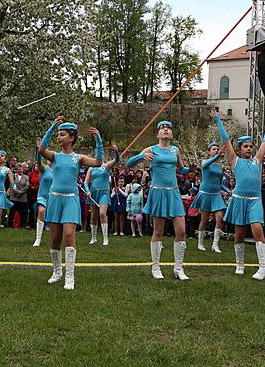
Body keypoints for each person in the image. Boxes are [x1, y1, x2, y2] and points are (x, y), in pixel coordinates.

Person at [38, 116, 103, 289]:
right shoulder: (55, 156)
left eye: (62, 134)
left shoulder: (78, 157)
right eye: (58, 134)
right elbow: (41, 150)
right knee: (55, 239)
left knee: (69, 234)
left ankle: (70, 276)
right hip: (55, 198)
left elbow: (98, 162)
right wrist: (52, 127)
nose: (59, 137)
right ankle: (57, 271)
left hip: (71, 199)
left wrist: (98, 140)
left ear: (72, 137)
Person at [211, 109, 265, 280]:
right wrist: (217, 120)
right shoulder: (235, 160)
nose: (249, 148)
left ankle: (263, 268)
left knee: (257, 230)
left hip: (254, 200)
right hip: (238, 200)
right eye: (246, 146)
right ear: (239, 149)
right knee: (239, 233)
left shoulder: (257, 160)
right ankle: (240, 264)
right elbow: (225, 140)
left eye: (251, 146)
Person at [126, 120, 191, 281]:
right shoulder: (151, 149)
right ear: (157, 134)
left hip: (174, 193)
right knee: (158, 231)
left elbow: (181, 169)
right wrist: (141, 156)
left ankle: (178, 268)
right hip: (158, 193)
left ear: (172, 133)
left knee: (181, 230)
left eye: (169, 128)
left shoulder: (176, 150)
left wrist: (197, 168)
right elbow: (129, 164)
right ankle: (156, 267)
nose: (166, 130)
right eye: (163, 128)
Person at [192, 142, 227, 253]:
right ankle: (200, 243)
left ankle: (215, 244)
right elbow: (204, 166)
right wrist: (218, 155)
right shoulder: (204, 162)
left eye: (217, 149)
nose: (216, 150)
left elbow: (219, 183)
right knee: (204, 220)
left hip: (216, 194)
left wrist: (227, 190)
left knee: (220, 217)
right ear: (209, 152)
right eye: (213, 149)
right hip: (205, 194)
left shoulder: (220, 167)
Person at [84, 142, 119, 246]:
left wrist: (116, 151)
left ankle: (105, 238)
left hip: (104, 192)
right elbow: (86, 182)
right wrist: (87, 191)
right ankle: (93, 238)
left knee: (102, 214)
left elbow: (116, 160)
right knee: (94, 216)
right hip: (93, 192)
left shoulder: (107, 166)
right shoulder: (91, 168)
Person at [32, 141, 53, 247]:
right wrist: (39, 149)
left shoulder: (59, 172)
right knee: (41, 211)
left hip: (53, 198)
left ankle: (54, 239)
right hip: (43, 196)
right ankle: (38, 239)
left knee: (53, 220)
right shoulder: (44, 169)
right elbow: (39, 161)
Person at [8, 164, 29, 229]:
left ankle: (23, 224)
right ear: (16, 170)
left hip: (23, 197)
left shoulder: (26, 177)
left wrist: (20, 192)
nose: (20, 170)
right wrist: (17, 191)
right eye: (18, 169)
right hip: (14, 196)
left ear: (23, 170)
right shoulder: (13, 176)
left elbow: (27, 186)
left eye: (21, 169)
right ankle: (10, 224)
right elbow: (12, 184)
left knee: (23, 212)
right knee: (12, 211)